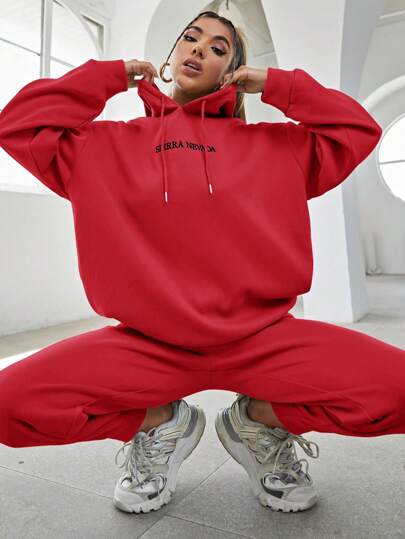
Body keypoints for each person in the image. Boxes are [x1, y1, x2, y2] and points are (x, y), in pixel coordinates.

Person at [0, 9, 400, 517]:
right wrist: (108, 76)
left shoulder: (279, 146)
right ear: (170, 58)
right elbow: (17, 124)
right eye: (191, 38)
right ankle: (158, 424)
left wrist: (277, 85)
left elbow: (356, 129)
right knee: (10, 406)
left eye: (218, 49)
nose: (199, 49)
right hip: (147, 346)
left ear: (233, 73)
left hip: (264, 340)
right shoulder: (100, 145)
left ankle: (261, 421)